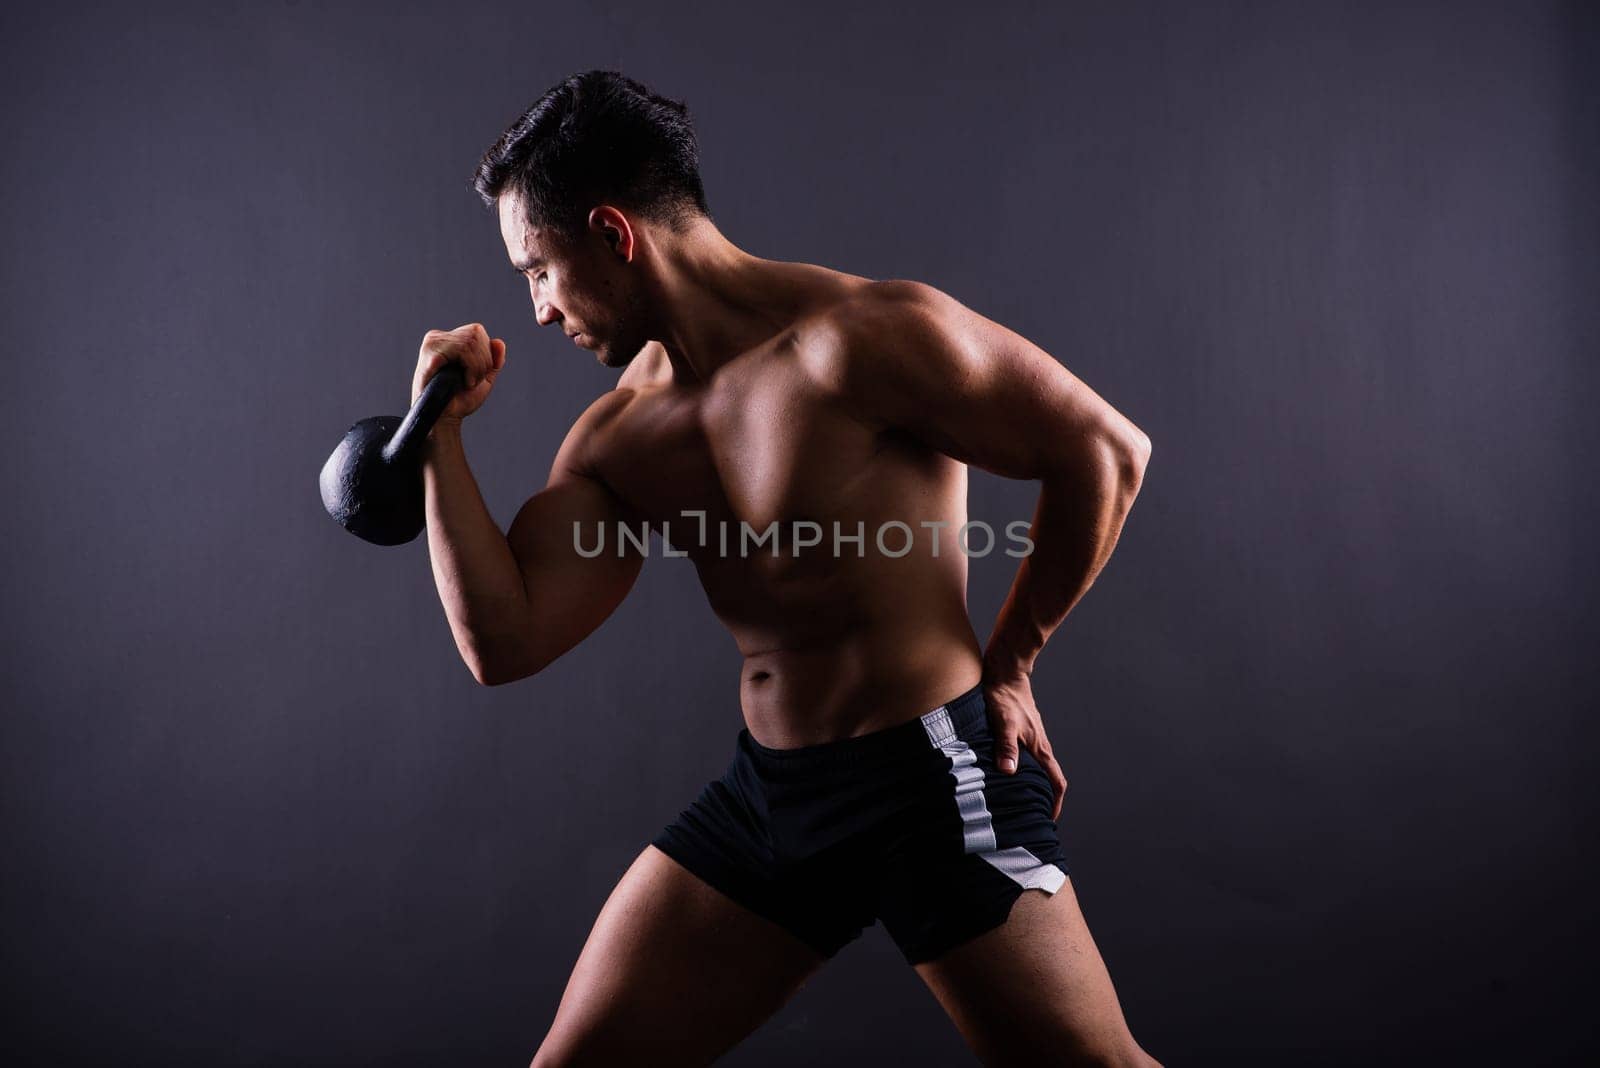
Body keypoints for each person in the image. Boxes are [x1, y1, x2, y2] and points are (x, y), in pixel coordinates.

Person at [414, 70, 1158, 1067]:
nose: (539, 311)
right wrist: (435, 440)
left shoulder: (861, 342)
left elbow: (1105, 453)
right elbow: (503, 642)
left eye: (537, 269)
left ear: (612, 231)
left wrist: (1014, 662)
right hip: (774, 799)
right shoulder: (619, 436)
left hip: (928, 784)